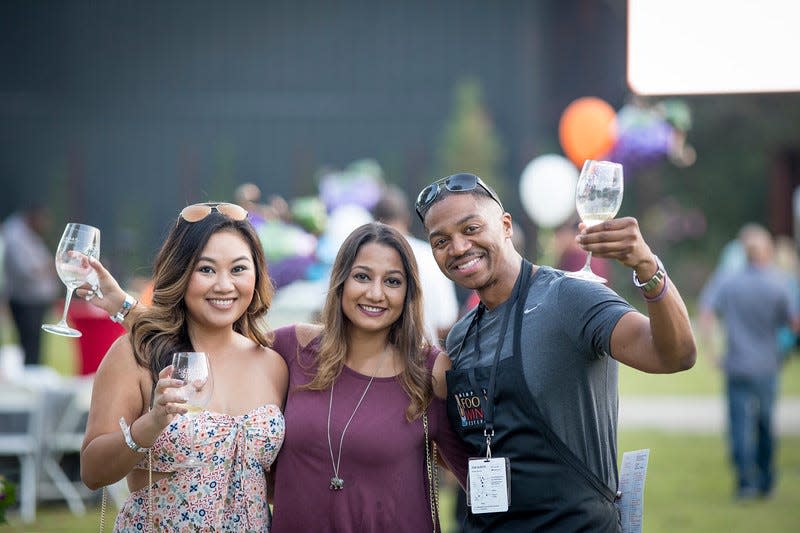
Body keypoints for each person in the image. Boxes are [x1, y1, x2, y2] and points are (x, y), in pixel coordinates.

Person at [414, 172, 697, 531]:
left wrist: (648, 269)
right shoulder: (460, 337)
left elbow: (676, 355)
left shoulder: (567, 298)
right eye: (441, 241)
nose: (457, 248)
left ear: (504, 225)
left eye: (470, 229)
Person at [80, 202, 287, 531]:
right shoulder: (136, 355)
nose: (223, 285)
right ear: (180, 271)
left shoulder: (274, 363)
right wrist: (152, 422)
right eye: (206, 269)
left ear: (257, 274)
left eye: (238, 269)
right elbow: (92, 472)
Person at [268, 221, 469, 532]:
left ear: (408, 292)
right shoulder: (291, 348)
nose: (375, 293)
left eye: (392, 281)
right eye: (362, 277)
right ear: (341, 281)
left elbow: (479, 472)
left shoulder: (430, 370)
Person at [698, 223, 800, 500]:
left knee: (739, 426)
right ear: (767, 251)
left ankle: (745, 484)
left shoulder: (728, 281)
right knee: (765, 423)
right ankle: (766, 481)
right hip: (767, 366)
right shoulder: (779, 283)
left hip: (736, 365)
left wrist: (712, 351)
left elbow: (705, 314)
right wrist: (784, 348)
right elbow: (794, 324)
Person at [372, 184, 459, 346]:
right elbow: (447, 319)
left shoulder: (364, 255)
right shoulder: (431, 255)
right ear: (407, 218)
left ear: (373, 220)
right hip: (424, 359)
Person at [1, 204, 60, 366]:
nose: (46, 225)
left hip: (35, 302)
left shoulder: (28, 234)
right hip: (26, 302)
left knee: (35, 347)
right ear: (34, 217)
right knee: (29, 347)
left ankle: (32, 378)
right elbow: (25, 271)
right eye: (44, 220)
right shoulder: (14, 235)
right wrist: (50, 266)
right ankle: (29, 381)